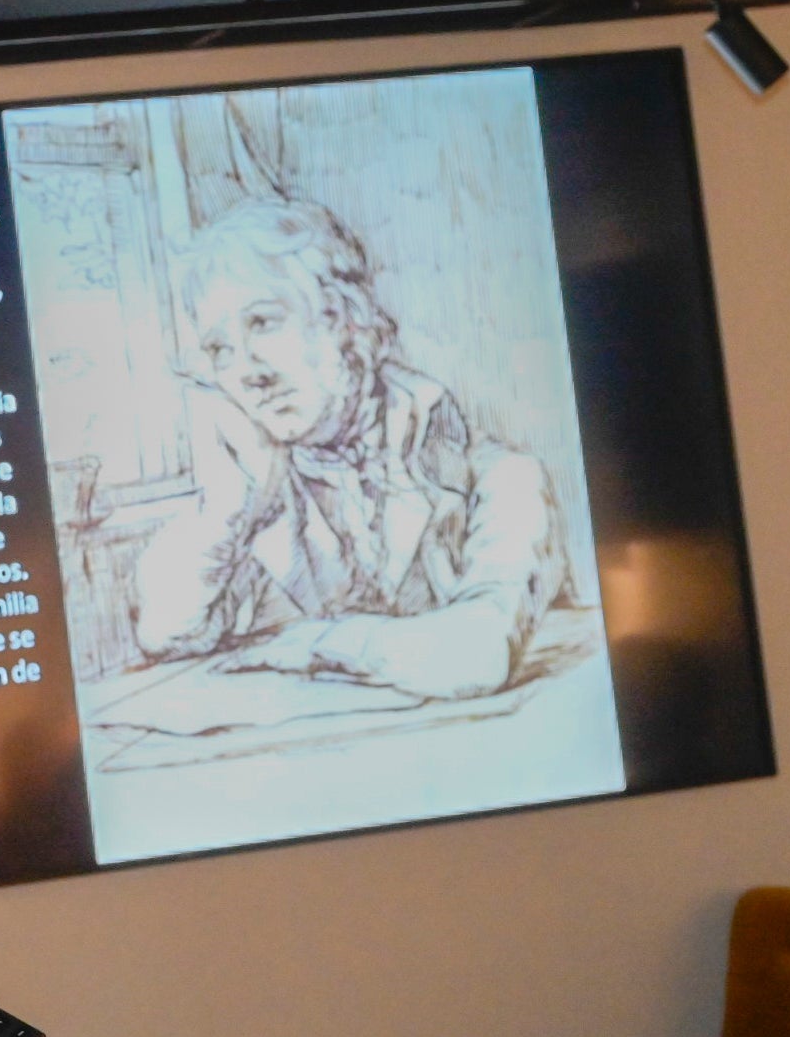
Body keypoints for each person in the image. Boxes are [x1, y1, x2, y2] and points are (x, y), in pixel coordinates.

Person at [129, 195, 574, 700]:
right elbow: (163, 633)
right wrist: (230, 509)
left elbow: (476, 655)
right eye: (219, 349)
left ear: (344, 318)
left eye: (263, 322)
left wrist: (316, 644)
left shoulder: (497, 474)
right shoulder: (258, 492)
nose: (247, 372)